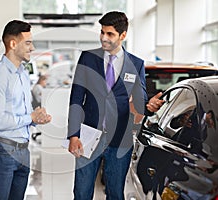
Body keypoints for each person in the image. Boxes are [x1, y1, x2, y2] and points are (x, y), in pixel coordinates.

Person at [67, 11, 164, 200]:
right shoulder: (88, 58)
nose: (104, 37)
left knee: (115, 193)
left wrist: (148, 105)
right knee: (81, 192)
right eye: (102, 32)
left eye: (109, 34)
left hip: (120, 140)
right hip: (88, 137)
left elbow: (139, 98)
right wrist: (73, 135)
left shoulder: (136, 64)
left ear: (123, 35)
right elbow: (76, 99)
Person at [0, 20, 52, 200]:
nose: (32, 47)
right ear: (13, 44)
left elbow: (21, 111)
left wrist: (37, 117)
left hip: (23, 151)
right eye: (27, 42)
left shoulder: (22, 73)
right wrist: (30, 117)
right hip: (2, 152)